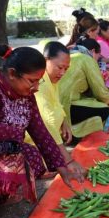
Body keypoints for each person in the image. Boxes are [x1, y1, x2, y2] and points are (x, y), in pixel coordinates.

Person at [0, 45, 82, 204]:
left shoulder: (27, 96)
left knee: (32, 156)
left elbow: (40, 132)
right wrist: (12, 133)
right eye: (32, 81)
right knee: (9, 164)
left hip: (7, 146)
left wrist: (62, 168)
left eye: (39, 81)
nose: (36, 88)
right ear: (12, 74)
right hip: (2, 147)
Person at [25, 42, 86, 178]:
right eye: (60, 67)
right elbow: (47, 123)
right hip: (31, 137)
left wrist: (64, 122)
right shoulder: (40, 83)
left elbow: (56, 103)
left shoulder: (52, 79)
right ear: (46, 60)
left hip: (46, 134)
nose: (63, 72)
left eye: (66, 68)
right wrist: (67, 159)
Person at [59, 38, 109, 140]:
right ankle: (75, 134)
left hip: (57, 106)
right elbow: (101, 93)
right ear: (92, 51)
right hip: (68, 106)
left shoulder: (69, 56)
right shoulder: (87, 59)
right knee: (104, 109)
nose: (97, 60)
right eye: (98, 57)